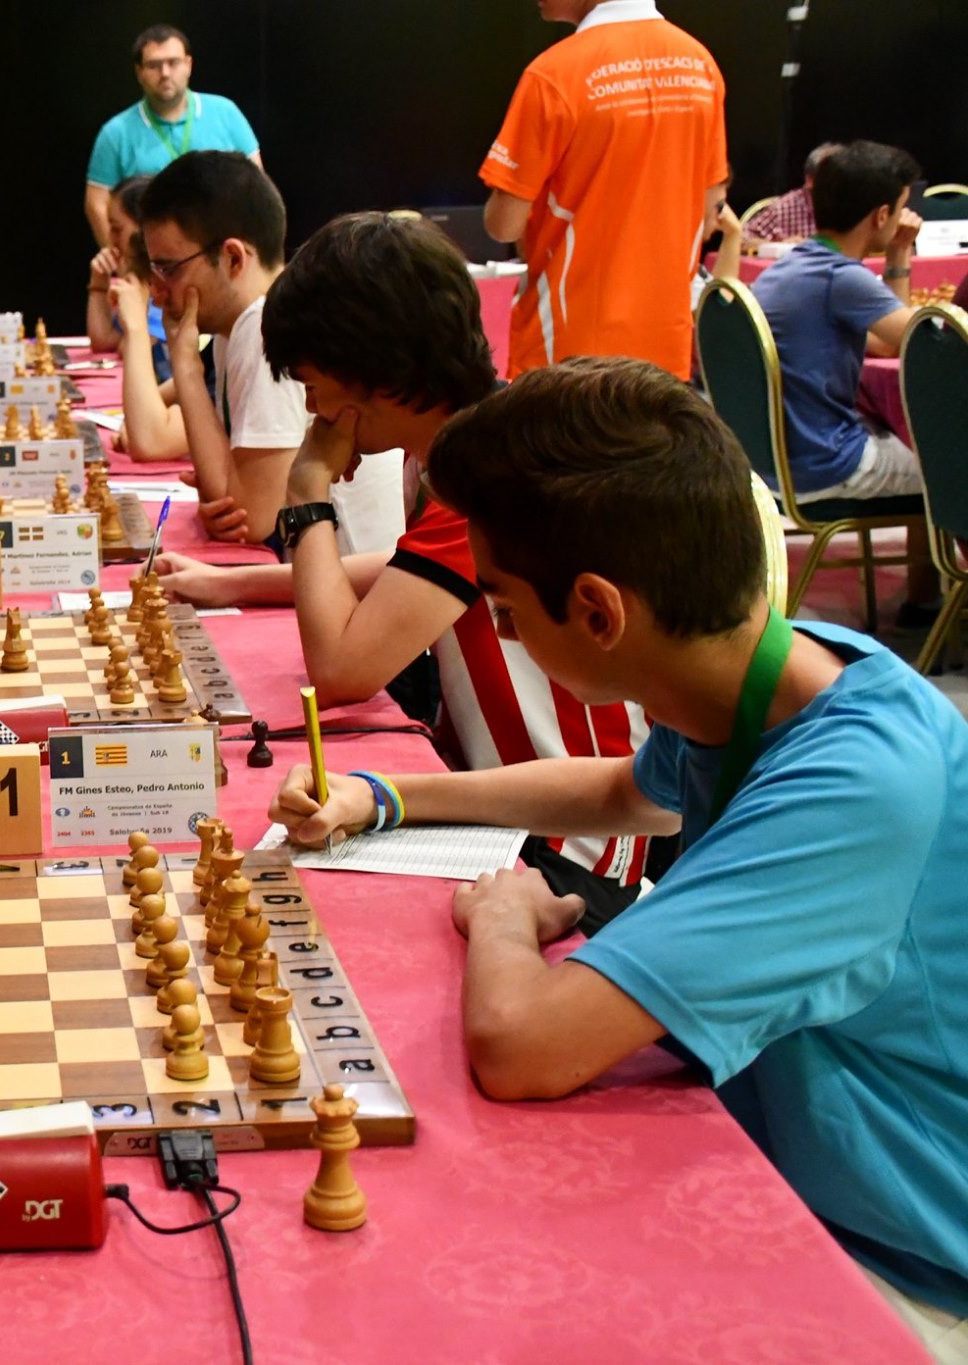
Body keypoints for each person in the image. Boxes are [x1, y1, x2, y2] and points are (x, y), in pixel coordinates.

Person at [270, 356, 968, 1358]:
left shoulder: (859, 785)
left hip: (897, 1258)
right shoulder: (766, 663)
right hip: (784, 1152)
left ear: (597, 612)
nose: (495, 626)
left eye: (504, 607)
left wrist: (505, 918)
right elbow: (625, 791)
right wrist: (384, 794)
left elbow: (522, 1046)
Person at [157, 213, 652, 915]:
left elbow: (341, 671)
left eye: (312, 384)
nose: (311, 408)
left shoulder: (486, 474)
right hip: (482, 798)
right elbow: (409, 577)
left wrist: (308, 489)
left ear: (378, 376)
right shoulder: (457, 439)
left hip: (564, 847)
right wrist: (230, 582)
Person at [133, 151, 403, 552]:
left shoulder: (266, 328)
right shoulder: (240, 327)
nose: (156, 292)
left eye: (168, 269)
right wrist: (222, 489)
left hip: (356, 575)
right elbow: (230, 500)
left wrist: (186, 363)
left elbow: (249, 518)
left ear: (233, 258)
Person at [479, 0, 729, 380]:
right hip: (663, 350)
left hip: (567, 350)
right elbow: (711, 209)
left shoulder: (554, 73)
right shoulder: (701, 66)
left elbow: (503, 226)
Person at [751, 140, 936, 616]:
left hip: (779, 461)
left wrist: (896, 252)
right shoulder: (841, 278)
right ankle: (927, 601)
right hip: (827, 463)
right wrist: (901, 255)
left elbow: (884, 344)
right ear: (881, 215)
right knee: (946, 464)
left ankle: (926, 598)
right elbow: (912, 341)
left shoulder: (791, 266)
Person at [84, 24, 261, 247]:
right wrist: (119, 256)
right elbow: (97, 202)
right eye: (154, 65)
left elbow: (257, 181)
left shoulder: (226, 113)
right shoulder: (116, 132)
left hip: (222, 248)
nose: (165, 73)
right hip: (150, 257)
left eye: (173, 62)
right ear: (139, 72)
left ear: (189, 65)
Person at [85, 174, 172, 381]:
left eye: (117, 229)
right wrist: (99, 283)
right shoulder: (138, 280)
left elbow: (128, 346)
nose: (111, 239)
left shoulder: (166, 283)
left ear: (144, 228)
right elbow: (104, 341)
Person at [746, 141, 843, 246]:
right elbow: (743, 240)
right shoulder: (783, 208)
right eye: (831, 178)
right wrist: (783, 246)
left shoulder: (852, 207)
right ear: (810, 180)